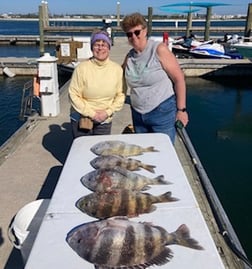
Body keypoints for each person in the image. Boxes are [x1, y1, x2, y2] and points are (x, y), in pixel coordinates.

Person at [121, 12, 189, 144]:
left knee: (164, 152)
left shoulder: (159, 49)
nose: (134, 37)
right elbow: (115, 75)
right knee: (144, 152)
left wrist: (182, 110)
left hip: (161, 111)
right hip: (138, 114)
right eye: (129, 34)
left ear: (145, 31)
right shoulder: (129, 57)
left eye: (137, 32)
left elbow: (179, 79)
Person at [68, 30, 125, 138]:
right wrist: (92, 114)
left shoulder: (117, 69)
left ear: (109, 48)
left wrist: (107, 112)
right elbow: (73, 94)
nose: (100, 48)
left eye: (104, 45)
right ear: (91, 48)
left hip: (104, 119)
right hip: (82, 117)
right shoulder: (82, 68)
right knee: (83, 150)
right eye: (96, 45)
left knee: (101, 150)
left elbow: (120, 95)